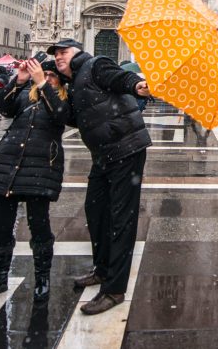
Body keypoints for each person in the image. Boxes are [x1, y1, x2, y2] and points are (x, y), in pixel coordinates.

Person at [49, 38, 152, 316]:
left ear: (78, 53)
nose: (59, 57)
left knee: (121, 219)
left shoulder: (95, 65)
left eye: (64, 52)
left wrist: (137, 86)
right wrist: (52, 86)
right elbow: (68, 117)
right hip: (105, 153)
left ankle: (115, 289)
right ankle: (103, 269)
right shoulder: (74, 82)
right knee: (96, 212)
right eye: (56, 54)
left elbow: (121, 78)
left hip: (126, 148)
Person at [0, 58, 69, 305]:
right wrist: (21, 79)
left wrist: (42, 84)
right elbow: (2, 106)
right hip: (8, 165)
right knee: (1, 226)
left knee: (39, 227)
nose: (46, 78)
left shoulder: (66, 98)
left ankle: (42, 279)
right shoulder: (28, 94)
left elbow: (60, 116)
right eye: (43, 73)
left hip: (40, 168)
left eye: (51, 75)